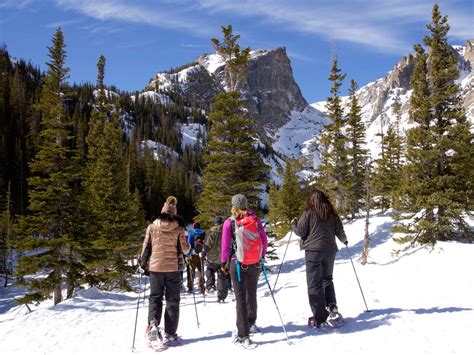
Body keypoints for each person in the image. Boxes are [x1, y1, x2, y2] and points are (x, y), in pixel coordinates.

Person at [291, 188, 348, 329]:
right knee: (327, 278)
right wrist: (344, 240)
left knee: (314, 284)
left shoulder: (308, 212)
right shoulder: (331, 212)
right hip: (330, 250)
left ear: (311, 199)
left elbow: (300, 231)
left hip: (313, 251)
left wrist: (293, 223)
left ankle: (320, 318)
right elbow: (339, 229)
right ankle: (332, 306)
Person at [140, 196, 191, 347]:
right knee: (172, 300)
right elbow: (185, 249)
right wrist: (191, 249)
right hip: (173, 269)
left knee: (155, 297)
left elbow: (145, 247)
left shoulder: (152, 226)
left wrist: (143, 262)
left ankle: (153, 326)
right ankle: (170, 333)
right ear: (174, 213)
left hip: (155, 268)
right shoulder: (179, 228)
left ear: (162, 211)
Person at [221, 194, 268, 348]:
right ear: (246, 205)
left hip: (238, 263)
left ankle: (243, 335)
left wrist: (223, 262)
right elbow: (264, 240)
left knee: (240, 297)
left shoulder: (229, 223)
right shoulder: (255, 219)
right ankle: (251, 322)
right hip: (254, 263)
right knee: (252, 293)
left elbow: (226, 245)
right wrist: (261, 256)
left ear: (234, 206)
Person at [201, 216, 231, 302]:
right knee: (222, 276)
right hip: (223, 258)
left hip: (212, 258)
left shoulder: (212, 231)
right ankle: (221, 296)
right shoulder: (226, 230)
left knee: (210, 270)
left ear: (215, 222)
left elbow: (207, 244)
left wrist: (203, 252)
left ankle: (210, 286)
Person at [186, 222, 206, 294]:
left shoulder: (191, 233)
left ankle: (190, 288)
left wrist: (188, 254)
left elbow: (188, 243)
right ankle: (201, 287)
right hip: (201, 255)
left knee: (191, 271)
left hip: (193, 254)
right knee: (201, 271)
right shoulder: (203, 233)